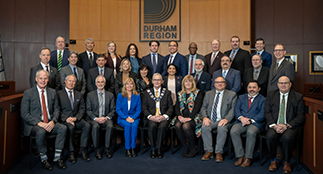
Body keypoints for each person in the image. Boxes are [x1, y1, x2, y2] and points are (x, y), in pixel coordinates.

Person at [21, 70, 67, 171]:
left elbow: (56, 109)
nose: (43, 80)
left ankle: (57, 158)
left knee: (63, 128)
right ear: (36, 79)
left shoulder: (52, 92)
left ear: (48, 79)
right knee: (40, 131)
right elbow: (24, 113)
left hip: (49, 122)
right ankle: (44, 158)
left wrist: (53, 121)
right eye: (41, 78)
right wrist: (39, 123)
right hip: (34, 125)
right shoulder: (28, 93)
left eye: (45, 78)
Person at [265, 76, 305, 173]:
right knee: (270, 136)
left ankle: (287, 162)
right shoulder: (271, 95)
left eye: (286, 83)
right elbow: (267, 112)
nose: (283, 85)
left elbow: (300, 116)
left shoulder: (298, 97)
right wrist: (274, 125)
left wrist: (286, 126)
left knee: (287, 137)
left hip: (289, 126)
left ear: (290, 84)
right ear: (278, 84)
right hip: (275, 125)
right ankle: (273, 160)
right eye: (281, 83)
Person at [200, 76, 237, 162]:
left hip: (224, 120)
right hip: (211, 119)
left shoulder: (232, 94)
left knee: (222, 128)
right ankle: (209, 151)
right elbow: (203, 107)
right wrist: (205, 117)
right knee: (204, 127)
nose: (219, 84)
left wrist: (226, 119)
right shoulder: (208, 94)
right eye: (217, 82)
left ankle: (219, 152)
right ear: (214, 84)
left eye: (222, 82)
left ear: (225, 84)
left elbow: (233, 109)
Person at [230, 80, 266, 167]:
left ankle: (247, 158)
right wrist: (241, 118)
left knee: (251, 132)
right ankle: (240, 156)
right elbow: (236, 109)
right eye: (250, 87)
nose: (251, 89)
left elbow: (263, 113)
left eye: (254, 87)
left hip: (255, 123)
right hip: (241, 122)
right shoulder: (242, 97)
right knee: (233, 131)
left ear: (259, 89)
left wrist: (250, 121)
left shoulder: (263, 99)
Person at [57, 75, 91, 163]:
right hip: (65, 120)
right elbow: (57, 109)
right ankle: (71, 152)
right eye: (69, 81)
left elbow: (82, 108)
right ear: (65, 82)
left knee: (87, 126)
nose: (71, 83)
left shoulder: (79, 94)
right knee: (70, 128)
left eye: (73, 81)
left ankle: (82, 151)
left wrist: (76, 118)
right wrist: (66, 119)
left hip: (76, 118)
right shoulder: (58, 94)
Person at [142, 73, 173, 159]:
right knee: (152, 126)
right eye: (155, 80)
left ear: (162, 81)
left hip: (163, 117)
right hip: (151, 117)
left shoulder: (167, 93)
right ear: (152, 81)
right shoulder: (146, 93)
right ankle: (153, 148)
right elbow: (144, 108)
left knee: (162, 127)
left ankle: (159, 149)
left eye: (158, 80)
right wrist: (150, 117)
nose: (157, 82)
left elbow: (170, 108)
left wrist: (164, 116)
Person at [173, 75, 204, 158]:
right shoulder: (180, 93)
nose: (188, 83)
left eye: (190, 81)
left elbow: (198, 106)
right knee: (177, 125)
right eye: (186, 81)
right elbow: (176, 106)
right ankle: (185, 148)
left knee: (186, 126)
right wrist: (179, 116)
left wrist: (189, 117)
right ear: (183, 83)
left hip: (194, 117)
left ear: (193, 83)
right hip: (182, 117)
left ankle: (193, 148)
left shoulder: (198, 92)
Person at [86, 75, 115, 159]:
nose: (100, 83)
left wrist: (106, 118)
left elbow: (113, 110)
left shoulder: (110, 95)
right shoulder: (90, 95)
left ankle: (107, 148)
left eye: (102, 82)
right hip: (94, 118)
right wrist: (96, 118)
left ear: (105, 83)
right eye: (98, 82)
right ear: (95, 83)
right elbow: (88, 110)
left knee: (110, 126)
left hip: (106, 118)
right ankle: (96, 149)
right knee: (95, 126)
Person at [116, 78, 141, 158]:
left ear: (133, 85)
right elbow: (118, 110)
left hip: (135, 118)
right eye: (127, 84)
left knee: (133, 125)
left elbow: (138, 110)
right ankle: (127, 148)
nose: (129, 85)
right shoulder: (120, 96)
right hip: (123, 118)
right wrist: (126, 117)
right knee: (127, 125)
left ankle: (133, 148)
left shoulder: (137, 96)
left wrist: (133, 118)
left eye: (131, 84)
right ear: (125, 85)